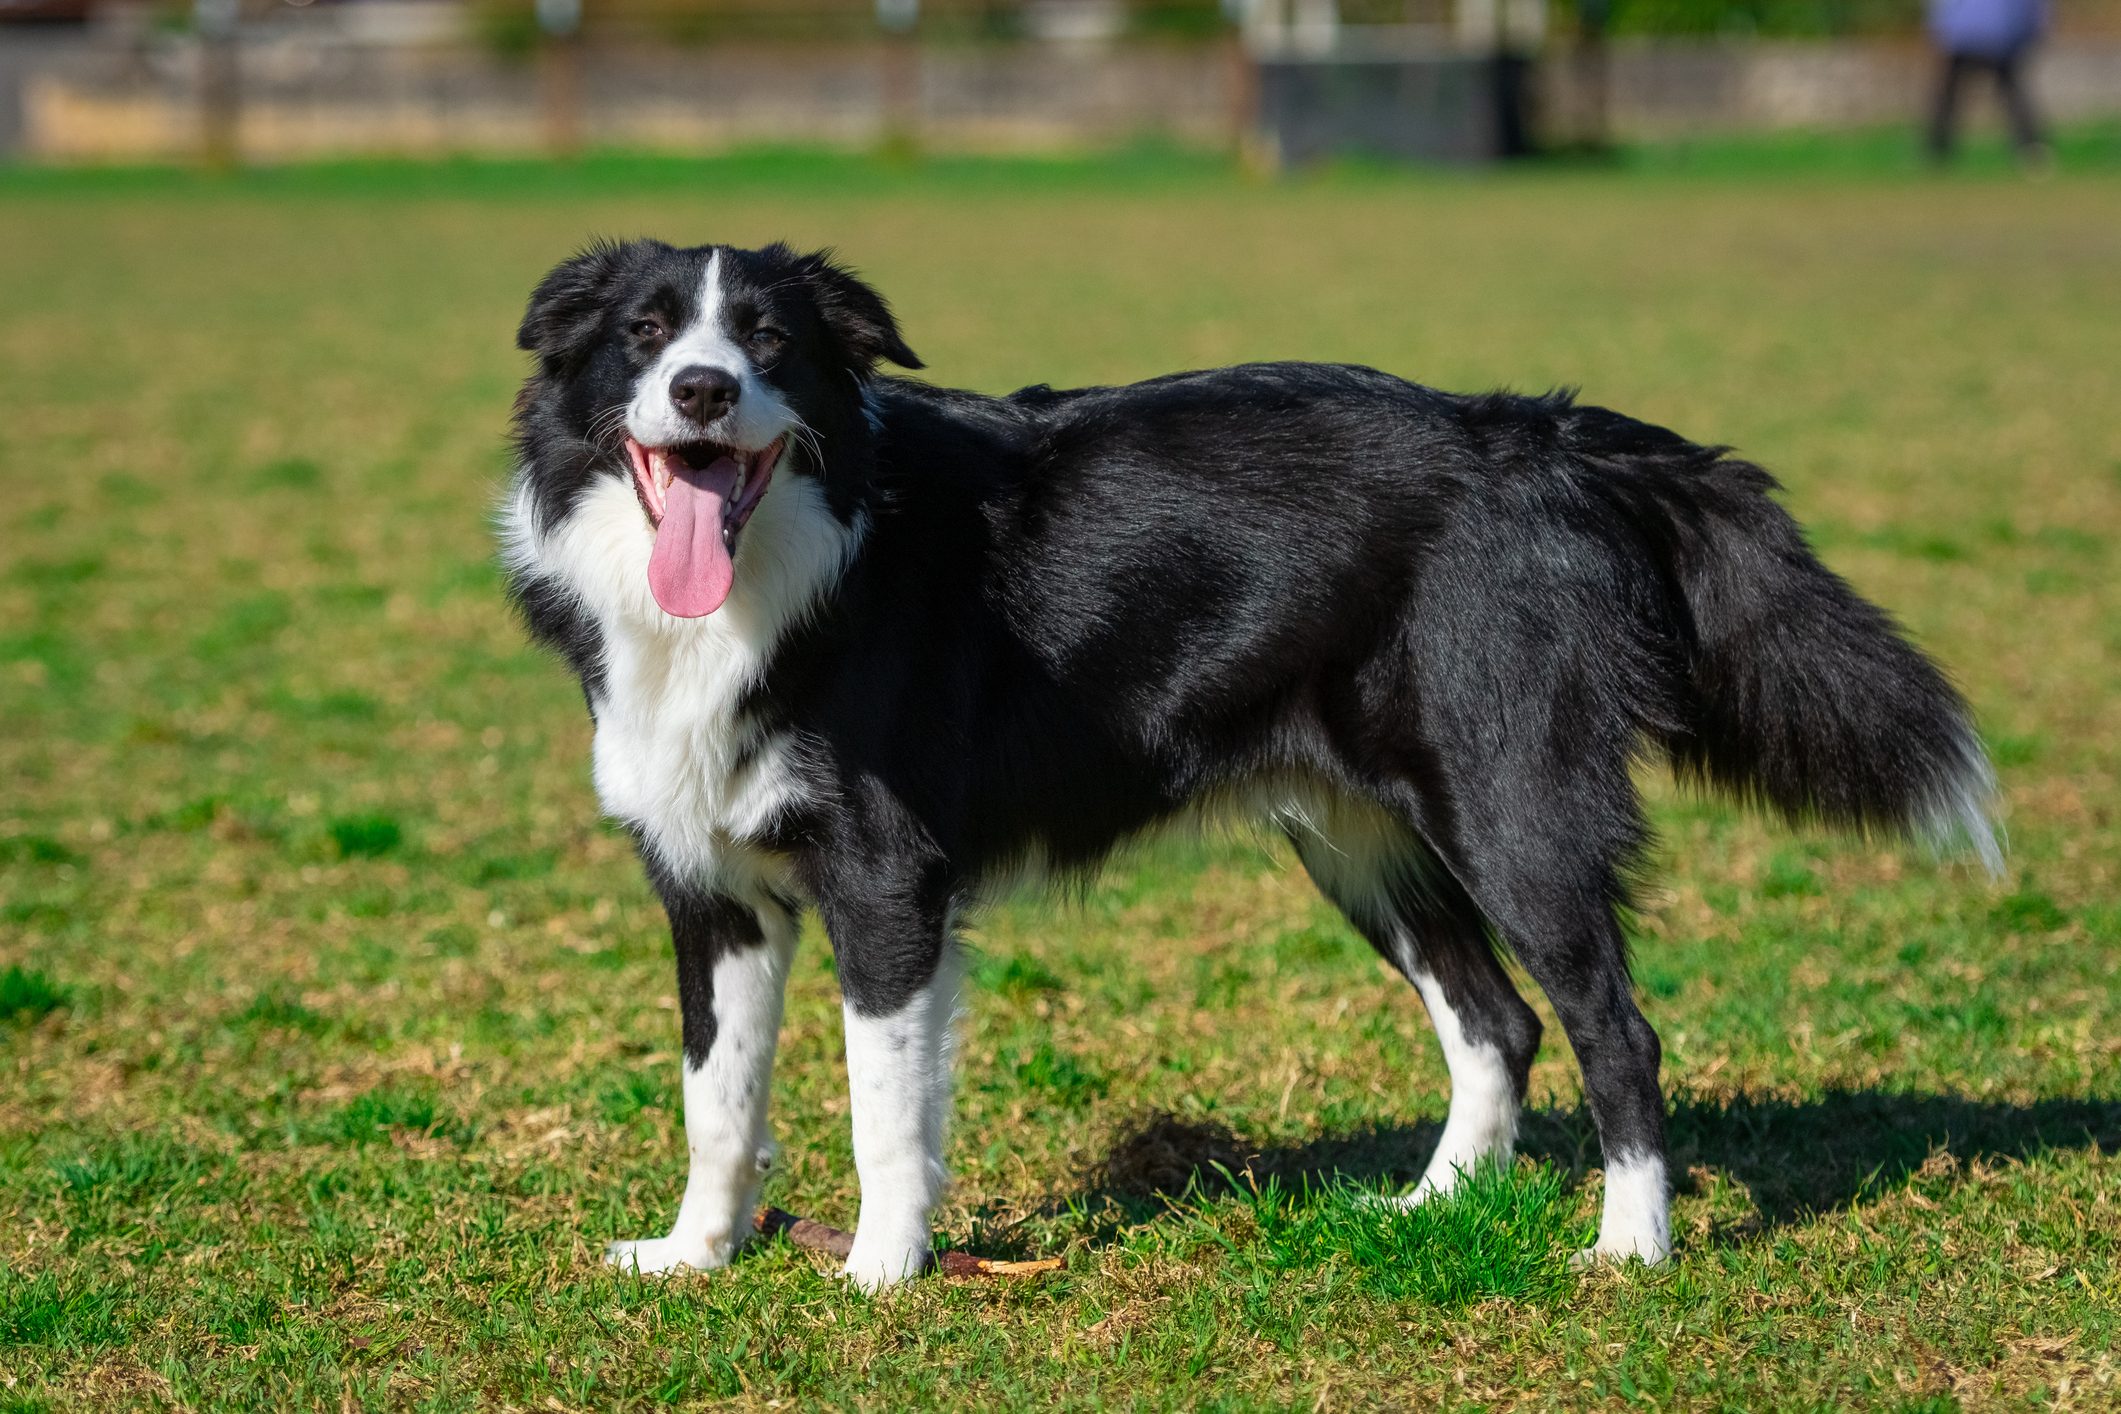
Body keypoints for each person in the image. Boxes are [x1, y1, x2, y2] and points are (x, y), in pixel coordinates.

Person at [1926, 0, 2052, 166]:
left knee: (1951, 97)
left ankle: (1937, 151)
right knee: (2011, 95)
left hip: (1972, 35)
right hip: (1996, 36)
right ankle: (2030, 147)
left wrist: (1940, 29)